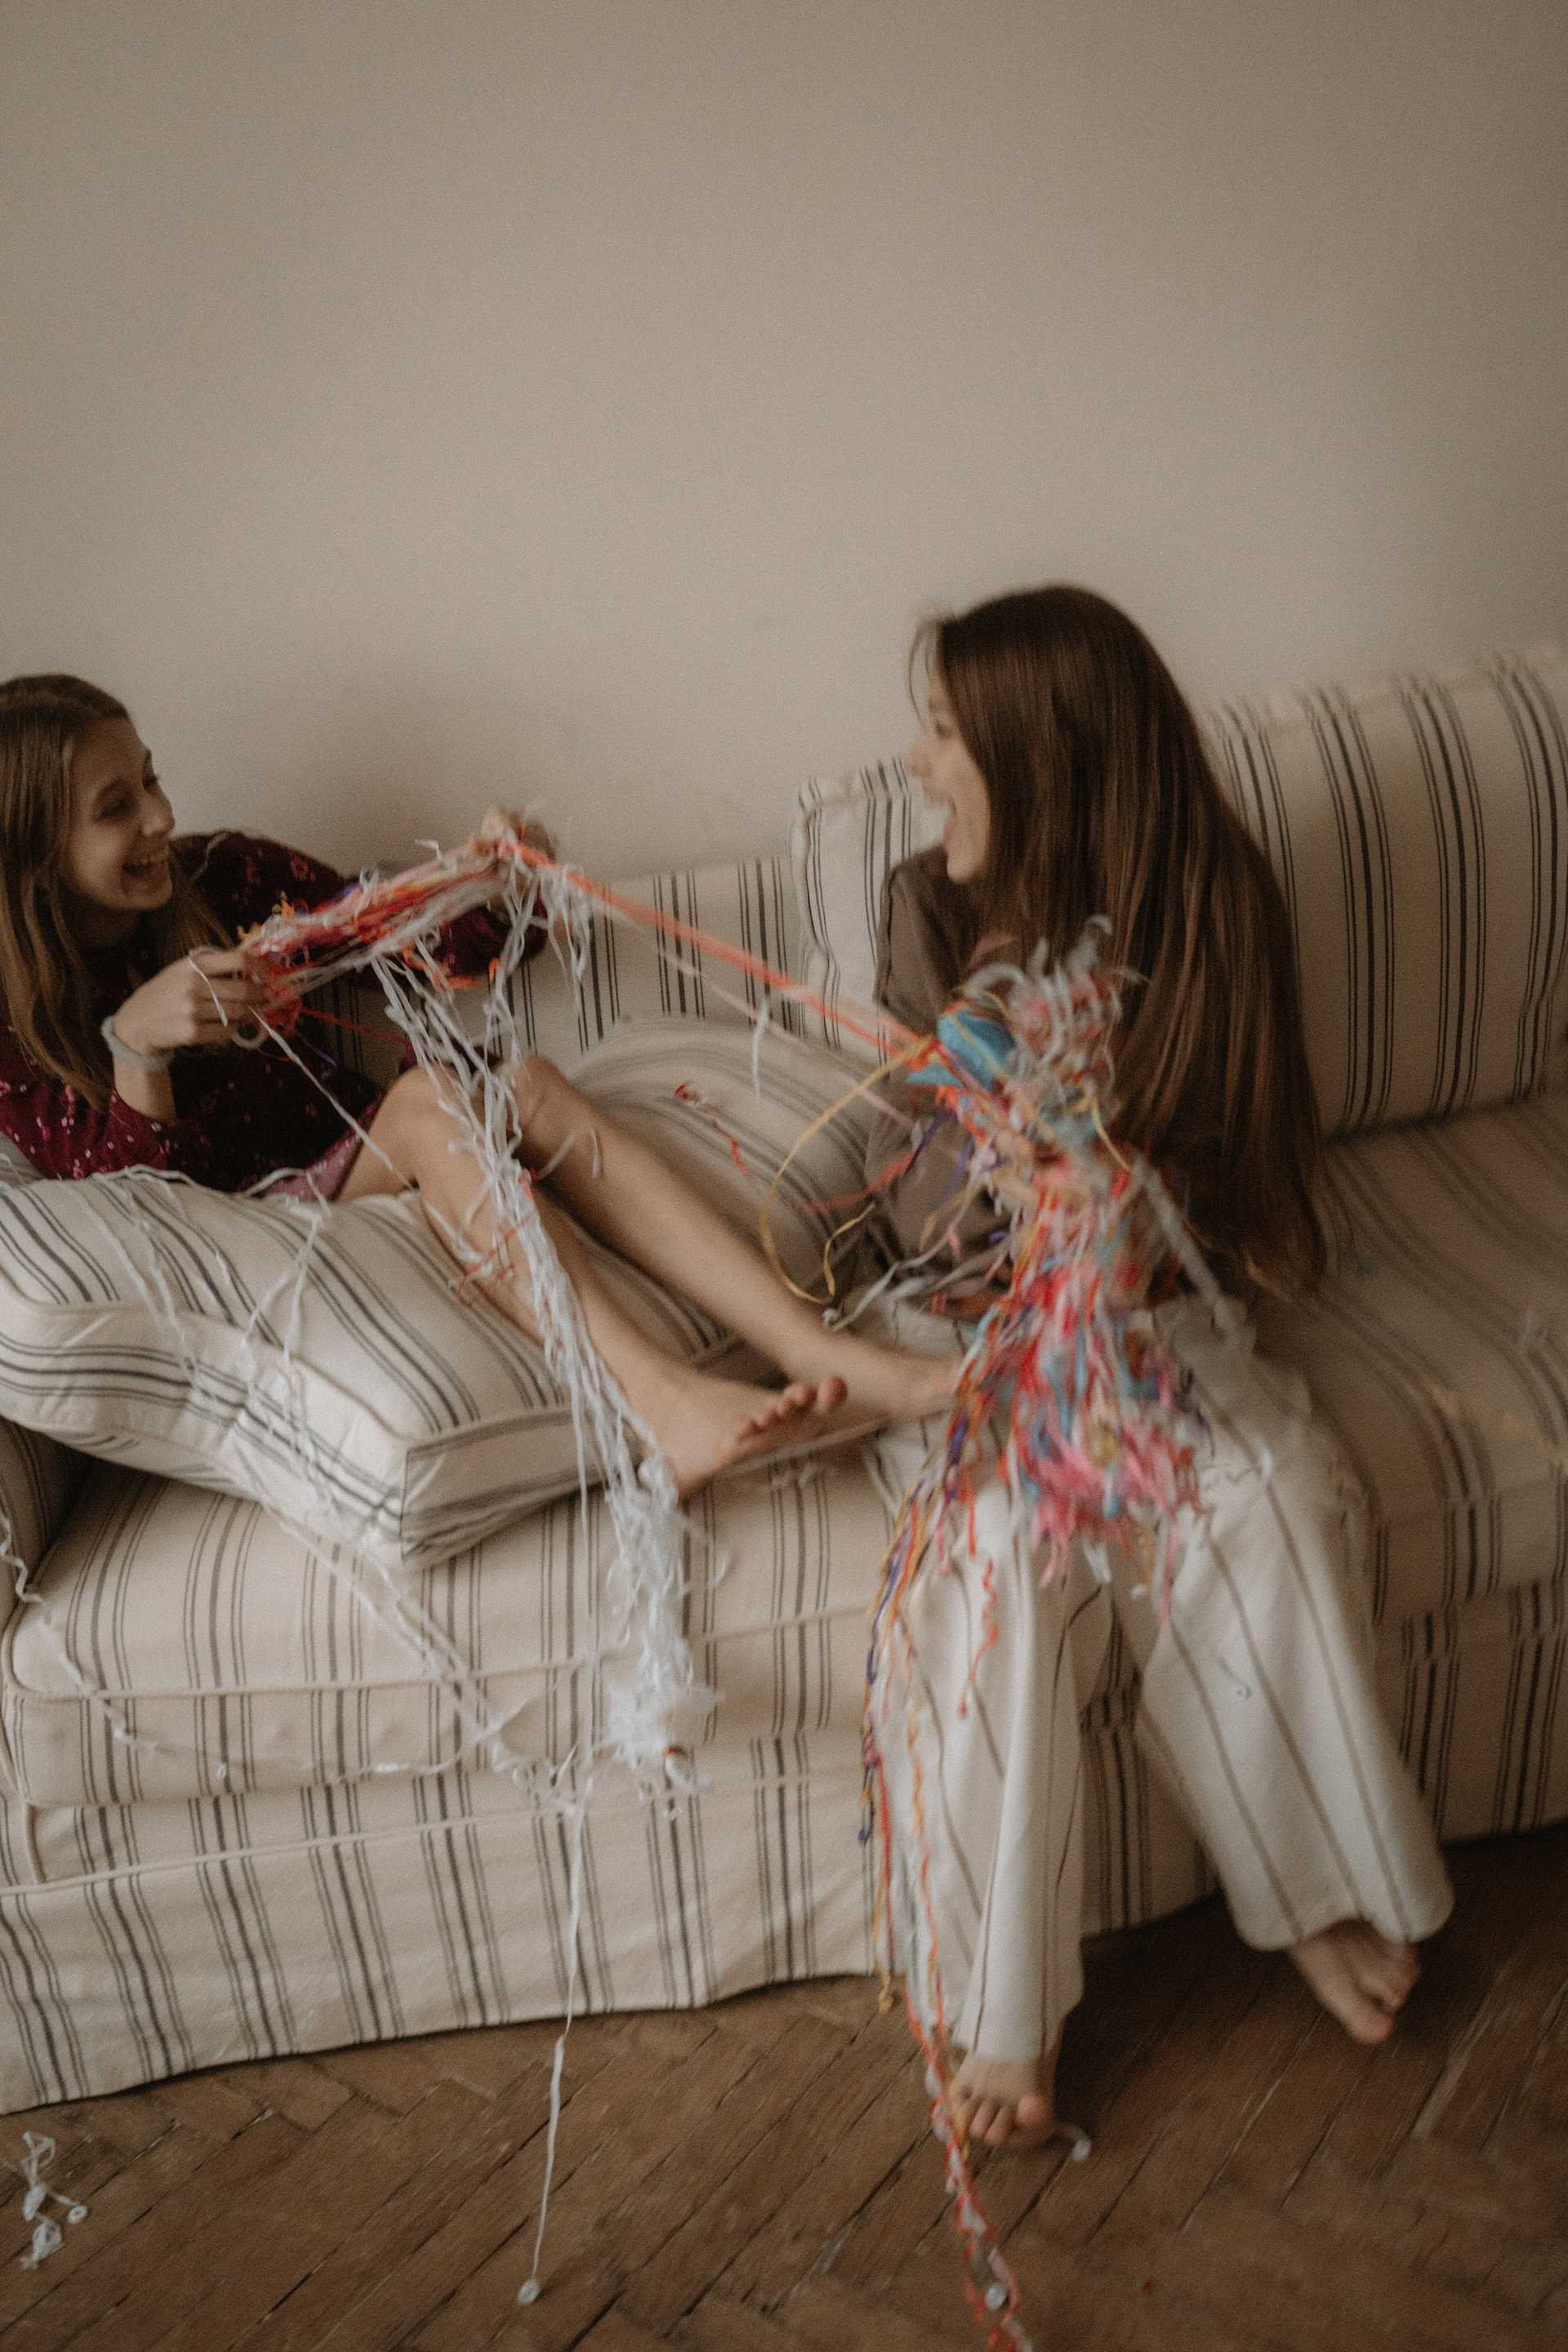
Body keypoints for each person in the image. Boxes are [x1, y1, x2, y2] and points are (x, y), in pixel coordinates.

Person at [862, 588, 1453, 2149]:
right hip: (968, 1334)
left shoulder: (1214, 908)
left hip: (1156, 1320)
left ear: (1039, 757)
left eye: (944, 730)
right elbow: (906, 1203)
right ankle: (1007, 2008)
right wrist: (1001, 1175)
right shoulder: (923, 910)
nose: (917, 761)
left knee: (1265, 1494)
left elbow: (1257, 1194)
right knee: (1000, 1543)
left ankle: (1313, 1896)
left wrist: (1126, 1205)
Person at [0, 674, 952, 1496]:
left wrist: (495, 878)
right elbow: (130, 1219)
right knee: (429, 1102)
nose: (160, 817)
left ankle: (820, 1353)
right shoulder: (10, 1029)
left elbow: (429, 946)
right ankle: (662, 1405)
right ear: (31, 849)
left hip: (356, 1156)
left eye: (152, 779)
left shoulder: (225, 877)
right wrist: (136, 1049)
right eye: (116, 807)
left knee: (521, 1082)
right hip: (239, 1228)